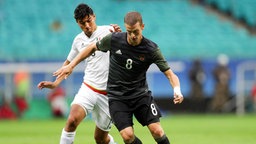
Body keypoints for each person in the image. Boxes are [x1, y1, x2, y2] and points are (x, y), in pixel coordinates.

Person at [54, 11, 184, 144]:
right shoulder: (114, 39)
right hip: (117, 98)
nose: (132, 35)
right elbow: (92, 47)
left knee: (157, 131)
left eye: (136, 31)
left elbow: (170, 74)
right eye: (129, 31)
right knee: (127, 136)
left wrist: (177, 90)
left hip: (140, 95)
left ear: (143, 27)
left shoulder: (151, 49)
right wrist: (71, 66)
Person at [37, 3, 121, 144]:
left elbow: (124, 48)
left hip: (108, 94)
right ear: (77, 22)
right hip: (88, 88)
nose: (87, 25)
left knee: (100, 139)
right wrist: (55, 84)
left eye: (89, 21)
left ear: (94, 17)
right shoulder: (78, 40)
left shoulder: (109, 30)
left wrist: (119, 34)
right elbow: (68, 64)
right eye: (82, 23)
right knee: (71, 121)